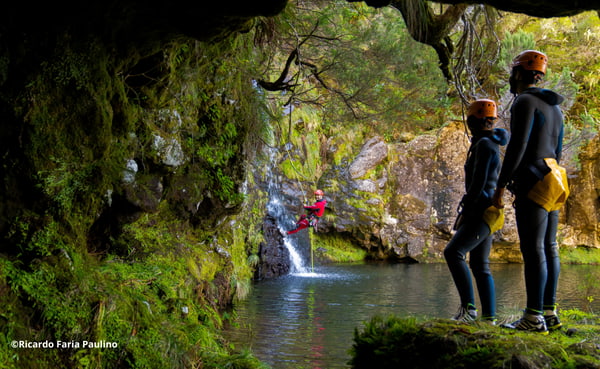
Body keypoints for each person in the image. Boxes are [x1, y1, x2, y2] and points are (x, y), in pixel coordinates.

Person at [492, 50, 565, 334]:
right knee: (549, 247)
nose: (511, 78)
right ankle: (550, 312)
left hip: (533, 179)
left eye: (513, 72)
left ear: (521, 74)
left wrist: (500, 185)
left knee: (533, 249)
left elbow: (517, 147)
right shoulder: (554, 107)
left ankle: (533, 318)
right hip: (554, 176)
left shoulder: (524, 101)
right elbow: (557, 150)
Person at [444, 99, 508, 324]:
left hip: (480, 210)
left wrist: (467, 209)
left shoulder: (484, 145)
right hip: (487, 210)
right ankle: (489, 317)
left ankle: (469, 310)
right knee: (480, 264)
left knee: (453, 253)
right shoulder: (488, 143)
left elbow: (478, 183)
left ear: (472, 121)